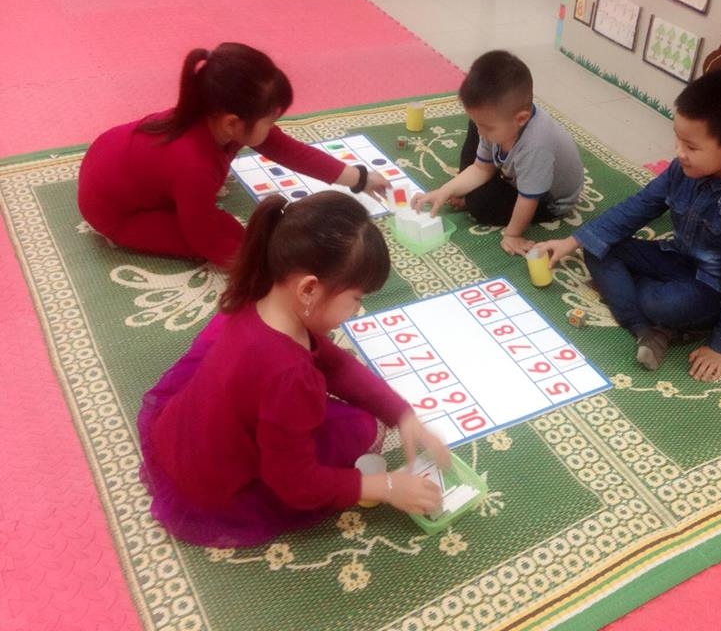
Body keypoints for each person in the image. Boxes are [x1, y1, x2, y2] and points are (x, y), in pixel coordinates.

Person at [137, 191, 450, 547]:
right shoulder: (289, 377)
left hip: (187, 434)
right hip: (220, 483)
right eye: (356, 299)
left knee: (341, 416)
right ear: (309, 289)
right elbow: (295, 484)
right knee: (361, 429)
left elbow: (333, 363)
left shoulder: (260, 295)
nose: (357, 310)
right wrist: (386, 486)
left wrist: (400, 413)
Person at [536, 68, 721, 382]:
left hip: (712, 288)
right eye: (678, 138)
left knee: (660, 303)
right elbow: (639, 206)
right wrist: (572, 242)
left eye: (691, 147)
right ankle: (646, 330)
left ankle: (642, 310)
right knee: (596, 247)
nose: (679, 152)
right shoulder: (682, 169)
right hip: (676, 258)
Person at [77, 42, 390, 268]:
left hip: (114, 162)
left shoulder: (215, 117)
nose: (274, 128)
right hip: (115, 212)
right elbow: (205, 237)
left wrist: (359, 178)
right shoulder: (194, 165)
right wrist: (265, 267)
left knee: (219, 222)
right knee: (225, 237)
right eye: (270, 120)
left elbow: (289, 151)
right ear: (233, 123)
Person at [411, 50, 584, 256]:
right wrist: (445, 191)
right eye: (481, 124)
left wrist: (513, 234)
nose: (481, 132)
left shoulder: (536, 145)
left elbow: (528, 199)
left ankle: (470, 199)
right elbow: (480, 168)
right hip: (515, 176)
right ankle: (465, 193)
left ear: (521, 119)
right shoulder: (500, 122)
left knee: (480, 205)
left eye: (487, 127)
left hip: (547, 201)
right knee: (478, 130)